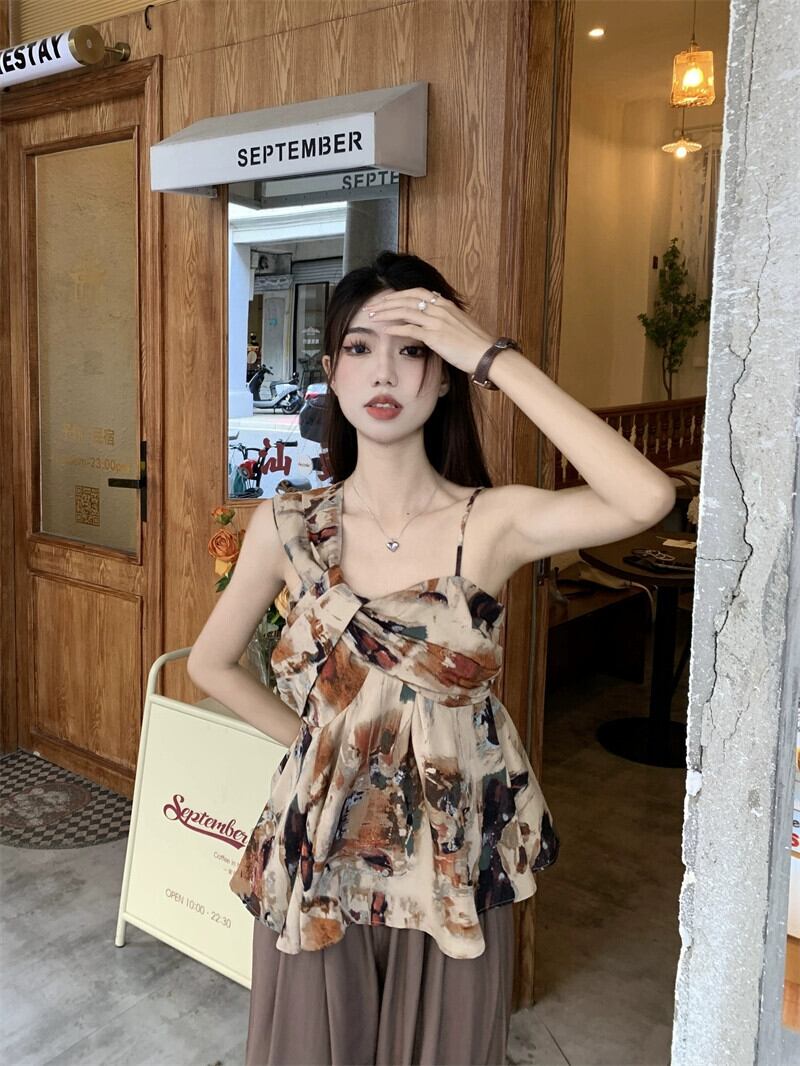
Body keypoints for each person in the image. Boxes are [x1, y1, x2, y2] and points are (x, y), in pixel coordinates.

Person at [187, 251, 676, 1065]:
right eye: (359, 347)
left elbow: (647, 497)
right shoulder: (288, 524)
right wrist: (320, 745)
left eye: (413, 349)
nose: (384, 371)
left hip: (449, 856)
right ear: (331, 373)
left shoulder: (490, 523)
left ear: (445, 375)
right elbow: (210, 663)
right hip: (322, 845)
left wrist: (491, 356)